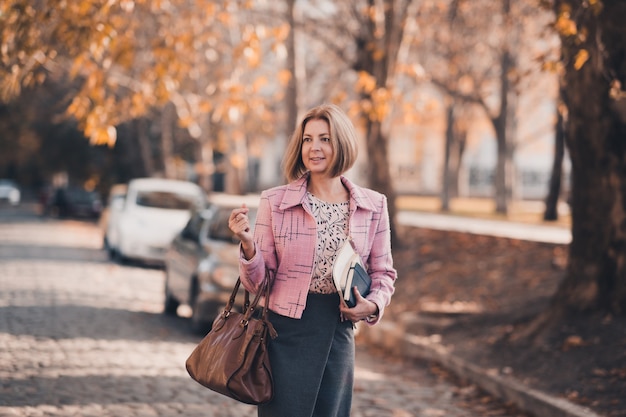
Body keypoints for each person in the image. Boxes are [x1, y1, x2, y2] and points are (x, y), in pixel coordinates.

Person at [228, 103, 397, 417]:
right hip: (285, 333)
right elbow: (257, 284)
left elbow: (383, 273)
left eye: (325, 139)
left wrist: (371, 305)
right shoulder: (276, 201)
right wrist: (249, 246)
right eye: (307, 139)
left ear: (342, 144)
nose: (314, 147)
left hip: (339, 330)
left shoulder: (373, 205)